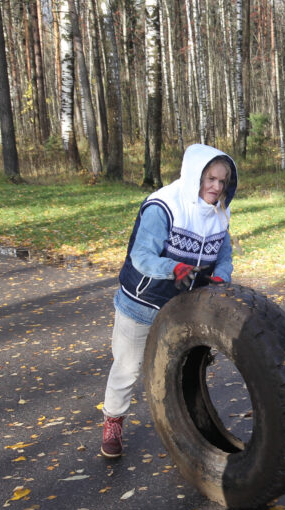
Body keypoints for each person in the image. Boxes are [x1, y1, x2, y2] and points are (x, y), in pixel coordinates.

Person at [100, 144, 238, 458]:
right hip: (142, 303)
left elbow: (224, 257)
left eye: (222, 181)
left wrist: (221, 277)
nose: (217, 187)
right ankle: (113, 422)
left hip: (184, 308)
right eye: (211, 179)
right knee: (128, 367)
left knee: (179, 371)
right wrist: (173, 268)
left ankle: (185, 432)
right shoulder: (163, 207)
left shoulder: (219, 213)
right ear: (195, 176)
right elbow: (141, 256)